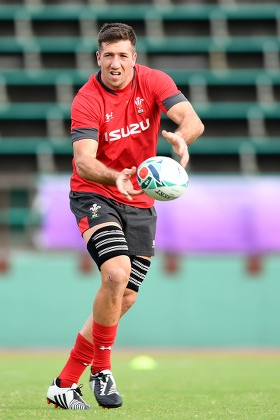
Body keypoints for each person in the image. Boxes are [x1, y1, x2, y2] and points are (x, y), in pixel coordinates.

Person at [46, 22, 204, 410]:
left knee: (125, 296)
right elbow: (84, 163)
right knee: (114, 274)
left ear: (135, 58)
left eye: (122, 56)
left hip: (141, 199)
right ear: (98, 58)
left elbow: (192, 120)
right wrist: (117, 175)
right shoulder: (87, 99)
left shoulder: (153, 81)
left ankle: (64, 384)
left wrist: (183, 136)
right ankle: (102, 370)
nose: (115, 63)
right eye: (108, 56)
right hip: (96, 193)